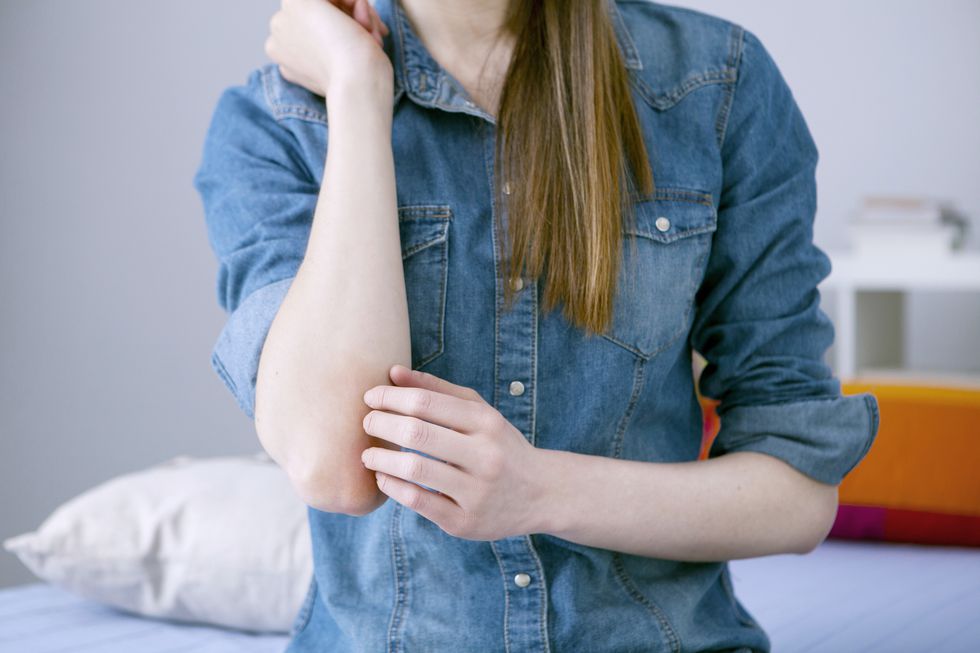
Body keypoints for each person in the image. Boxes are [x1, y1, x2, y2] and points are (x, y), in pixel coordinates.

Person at [193, 0, 881, 650]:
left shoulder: (718, 84)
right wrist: (357, 92)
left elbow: (797, 495)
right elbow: (334, 467)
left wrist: (538, 490)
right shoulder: (277, 121)